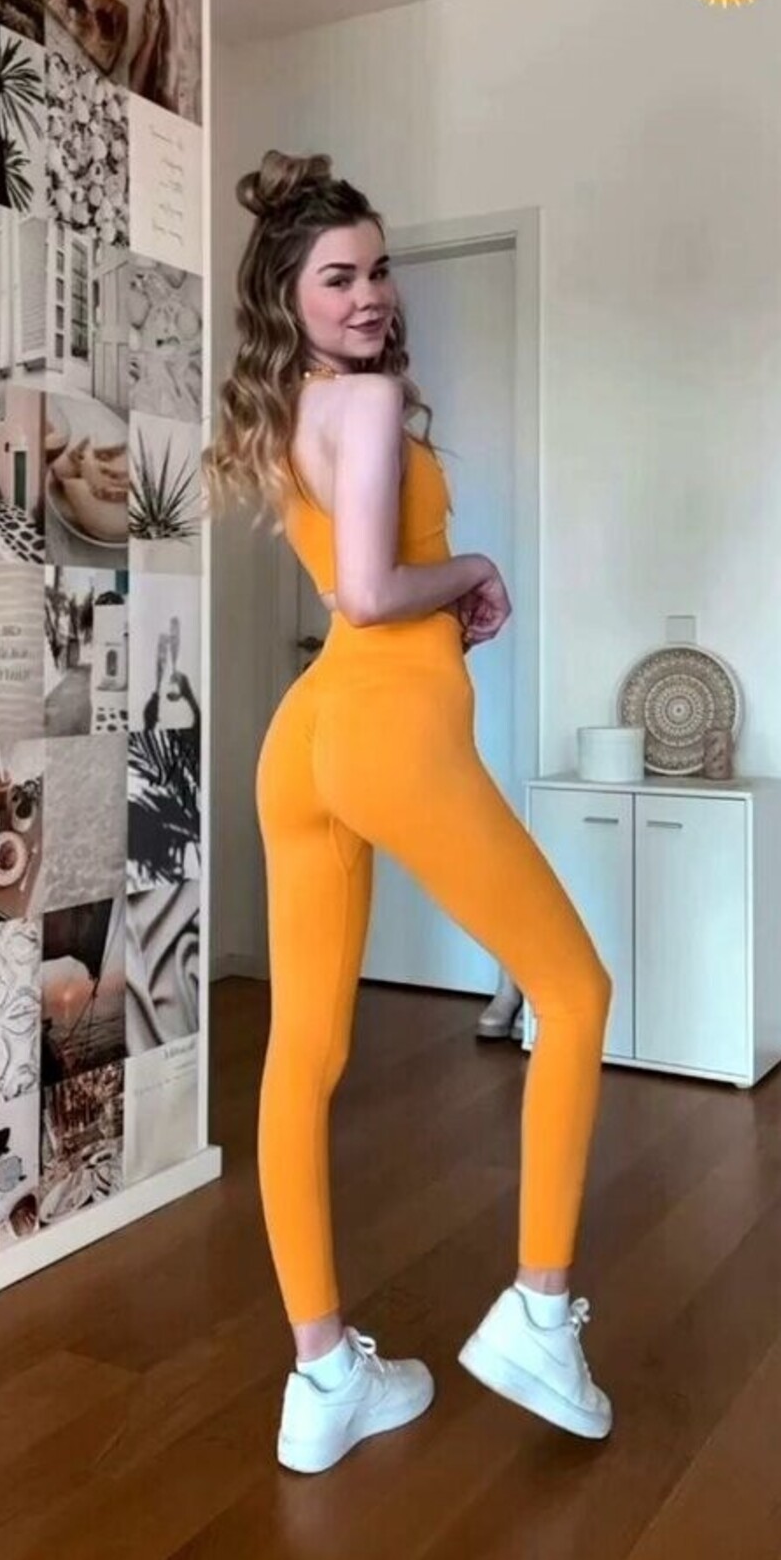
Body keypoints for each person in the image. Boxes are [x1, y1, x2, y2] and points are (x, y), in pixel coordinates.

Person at [203, 150, 613, 1475]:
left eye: (379, 270)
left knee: (303, 1054)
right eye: (338, 278)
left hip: (309, 738)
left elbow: (348, 590)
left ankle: (324, 1378)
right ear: (289, 293)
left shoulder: (290, 408)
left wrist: (439, 592)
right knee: (576, 990)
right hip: (385, 726)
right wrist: (473, 563)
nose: (370, 295)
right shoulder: (370, 401)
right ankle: (538, 1318)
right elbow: (379, 592)